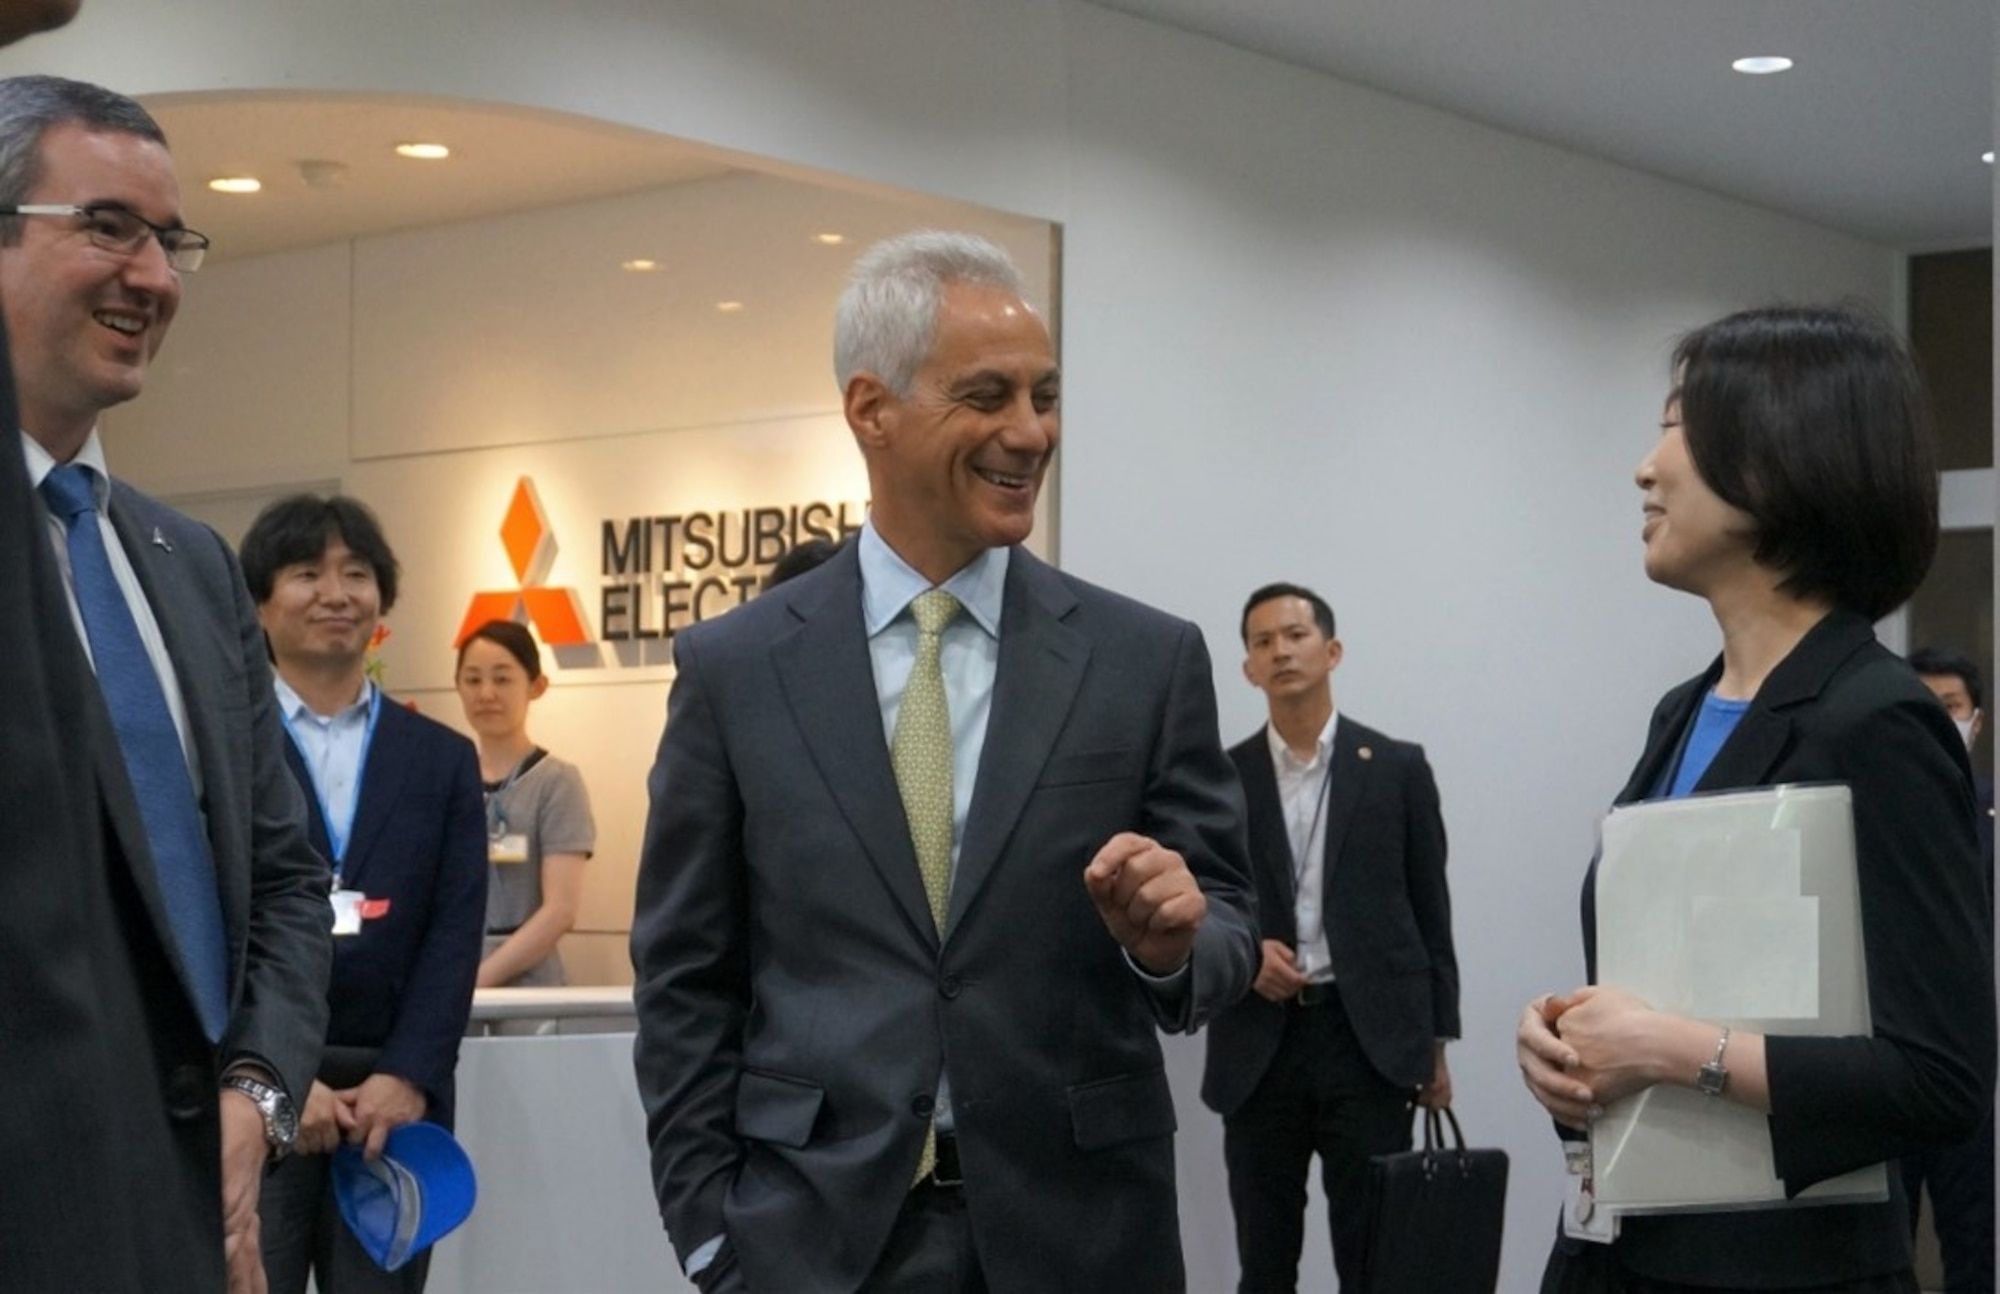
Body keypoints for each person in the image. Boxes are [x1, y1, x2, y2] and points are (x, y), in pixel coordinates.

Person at [630, 229, 1258, 1294]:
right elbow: (687, 976)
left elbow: (1230, 925)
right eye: (987, 396)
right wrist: (712, 1238)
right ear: (871, 409)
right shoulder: (735, 669)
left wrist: (1171, 944)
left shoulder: (1141, 660)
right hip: (814, 1244)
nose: (1030, 431)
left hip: (1084, 1240)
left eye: (1045, 396)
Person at [1517, 305, 1996, 1292]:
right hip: (1621, 1249)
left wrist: (1663, 1047)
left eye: (1674, 427)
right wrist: (1569, 1054)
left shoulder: (1875, 717)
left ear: (1783, 457)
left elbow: (1939, 1077)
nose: (1644, 468)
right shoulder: (1681, 711)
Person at [0, 74, 332, 1292]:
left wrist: (255, 1092)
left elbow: (286, 875)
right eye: (105, 226)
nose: (154, 277)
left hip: (205, 1218)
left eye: (170, 239)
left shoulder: (186, 565)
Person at [239, 493, 487, 1293]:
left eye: (356, 573)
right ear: (260, 602)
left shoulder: (441, 758)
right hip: (260, 1092)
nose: (336, 593)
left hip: (395, 1101)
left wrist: (410, 1073)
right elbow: (207, 924)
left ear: (382, 599)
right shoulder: (223, 751)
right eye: (307, 573)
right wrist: (271, 1077)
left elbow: (456, 930)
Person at [1202, 581, 1458, 1293]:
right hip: (1260, 1045)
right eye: (1262, 642)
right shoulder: (1221, 777)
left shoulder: (1397, 768)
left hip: (1367, 1041)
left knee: (1375, 1254)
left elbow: (1429, 909)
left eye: (1295, 634)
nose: (1280, 650)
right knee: (1264, 1257)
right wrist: (1244, 955)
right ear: (1248, 668)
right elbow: (1198, 897)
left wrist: (1436, 1043)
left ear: (1332, 650)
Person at [1899, 645, 1995, 1294]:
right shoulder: (1877, 808)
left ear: (1976, 720)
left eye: (1950, 708)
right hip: (1890, 1065)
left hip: (1977, 1068)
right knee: (1884, 1238)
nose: (1937, 721)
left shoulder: (1992, 814)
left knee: (1977, 1239)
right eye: (1922, 708)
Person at [455, 617, 596, 991]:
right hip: (451, 976)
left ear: (536, 686)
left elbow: (560, 911)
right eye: (472, 680)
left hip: (530, 988)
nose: (486, 693)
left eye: (502, 679)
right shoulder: (447, 778)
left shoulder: (557, 782)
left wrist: (478, 980)